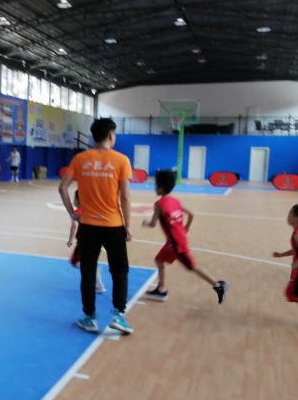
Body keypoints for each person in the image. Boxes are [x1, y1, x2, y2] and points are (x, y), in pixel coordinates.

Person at [58, 118, 133, 335]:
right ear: (111, 135)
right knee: (119, 271)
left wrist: (73, 214)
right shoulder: (121, 160)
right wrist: (127, 226)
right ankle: (118, 315)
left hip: (88, 226)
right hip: (113, 225)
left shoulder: (80, 159)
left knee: (88, 271)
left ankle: (90, 317)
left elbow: (62, 188)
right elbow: (125, 197)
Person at [141, 170, 229, 303]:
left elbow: (152, 224)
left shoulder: (159, 204)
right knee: (159, 260)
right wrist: (185, 228)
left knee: (191, 266)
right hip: (174, 240)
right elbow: (191, 214)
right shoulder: (174, 200)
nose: (154, 188)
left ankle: (218, 285)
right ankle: (161, 289)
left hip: (176, 244)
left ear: (160, 188)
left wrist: (145, 223)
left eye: (156, 186)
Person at [273, 204, 298, 326]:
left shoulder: (297, 234)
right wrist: (281, 255)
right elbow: (297, 249)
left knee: (294, 293)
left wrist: (297, 263)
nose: (287, 216)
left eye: (290, 214)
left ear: (296, 219)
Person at [67, 190, 106, 293]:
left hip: (84, 242)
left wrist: (71, 239)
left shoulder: (77, 212)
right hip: (95, 241)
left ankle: (98, 282)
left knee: (76, 262)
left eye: (75, 199)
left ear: (77, 200)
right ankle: (97, 280)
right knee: (85, 262)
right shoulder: (93, 210)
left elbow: (74, 225)